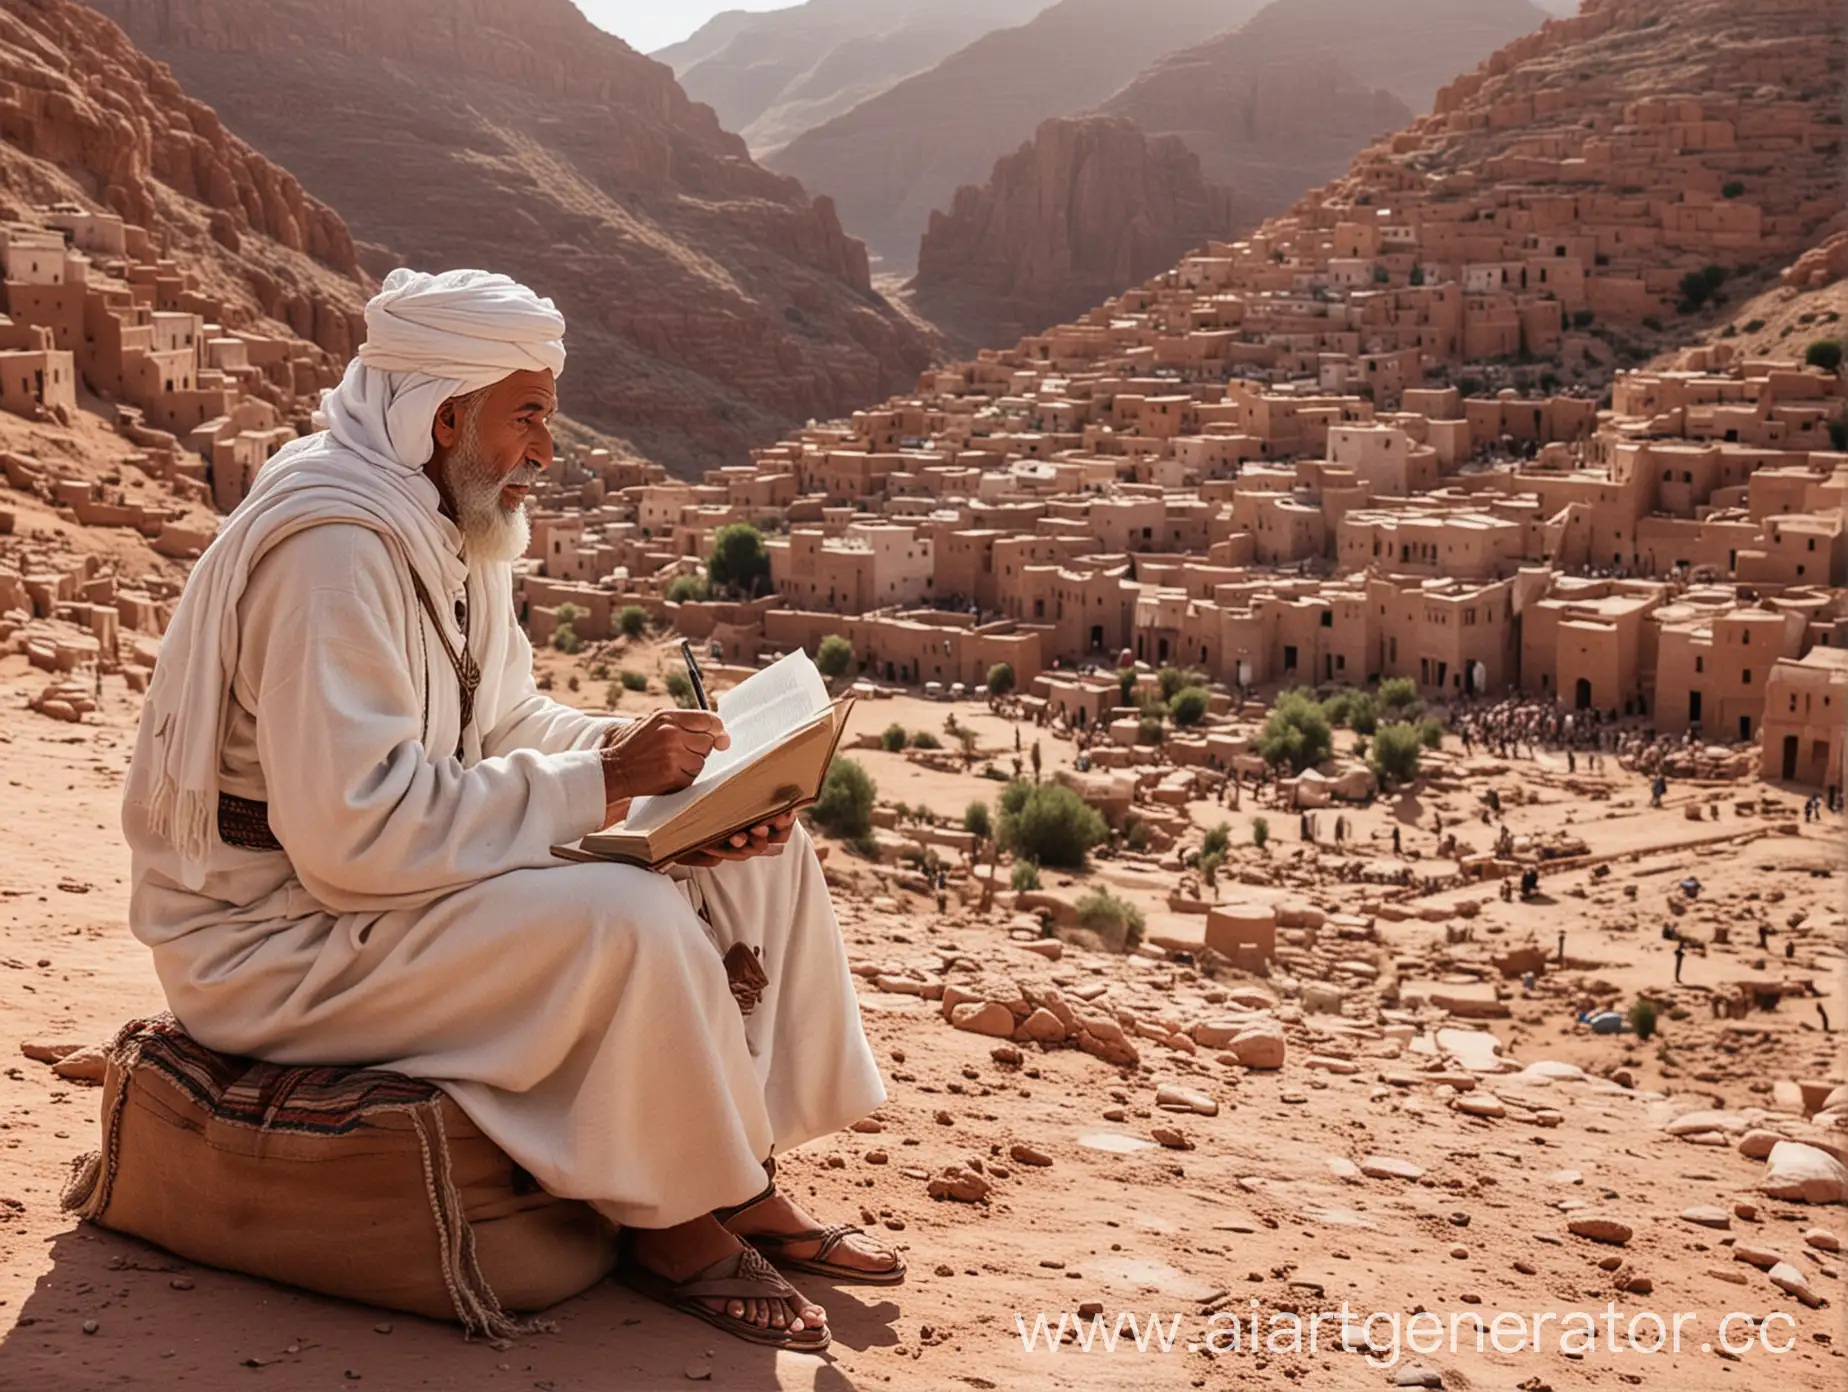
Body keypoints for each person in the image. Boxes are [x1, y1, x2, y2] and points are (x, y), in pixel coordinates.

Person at [120, 270, 896, 1352]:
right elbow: (353, 840)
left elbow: (505, 717)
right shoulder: (335, 551)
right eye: (527, 415)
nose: (545, 449)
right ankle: (671, 1223)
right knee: (628, 924)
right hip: (279, 940)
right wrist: (609, 782)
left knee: (747, 852)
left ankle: (739, 1172)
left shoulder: (448, 518)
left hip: (379, 899)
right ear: (444, 418)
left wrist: (663, 766)